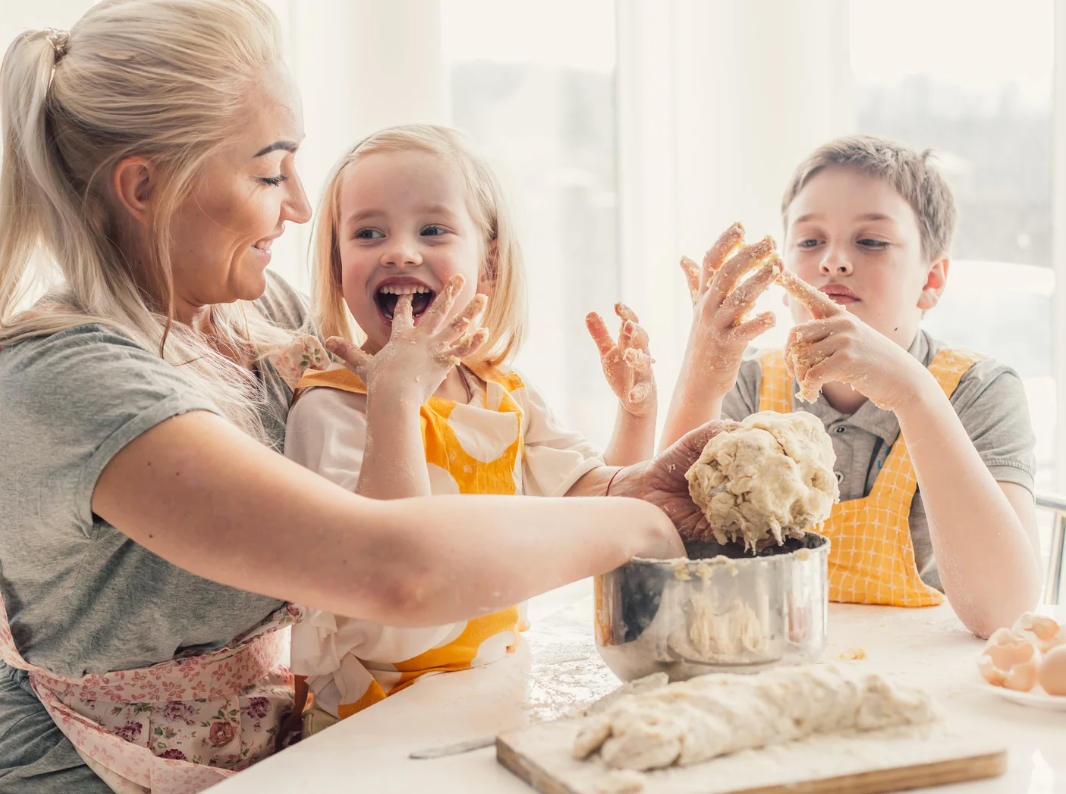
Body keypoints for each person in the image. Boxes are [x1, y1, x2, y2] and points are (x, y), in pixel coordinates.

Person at [0, 3, 712, 790]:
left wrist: (630, 477)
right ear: (144, 186)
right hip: (91, 771)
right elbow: (392, 569)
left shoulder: (249, 312)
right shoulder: (72, 382)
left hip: (269, 749)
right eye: (270, 172)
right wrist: (646, 524)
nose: (303, 207)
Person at [663, 135, 1041, 638]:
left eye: (871, 242)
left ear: (932, 279)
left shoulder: (979, 391)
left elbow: (1004, 614)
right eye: (810, 241)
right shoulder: (748, 385)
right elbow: (666, 561)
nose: (834, 262)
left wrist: (914, 394)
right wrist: (700, 378)